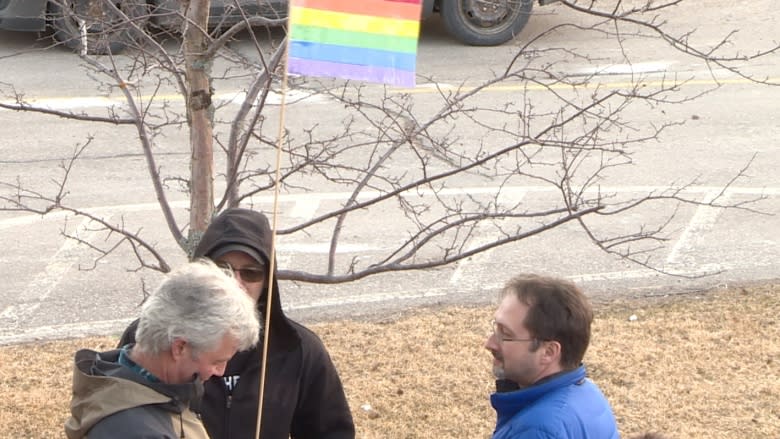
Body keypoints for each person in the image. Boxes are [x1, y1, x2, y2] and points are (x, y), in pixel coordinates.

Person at [117, 208, 355, 439]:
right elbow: (120, 415)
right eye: (224, 269)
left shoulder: (299, 348)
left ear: (267, 280)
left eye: (251, 273)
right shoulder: (155, 336)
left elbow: (331, 432)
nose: (237, 283)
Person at [65, 260, 260, 439]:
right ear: (180, 347)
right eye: (216, 361)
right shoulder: (134, 431)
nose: (221, 371)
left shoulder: (155, 392)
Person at [485, 274, 619, 439]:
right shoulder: (586, 392)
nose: (489, 343)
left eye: (505, 334)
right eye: (496, 329)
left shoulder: (537, 431)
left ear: (548, 352)